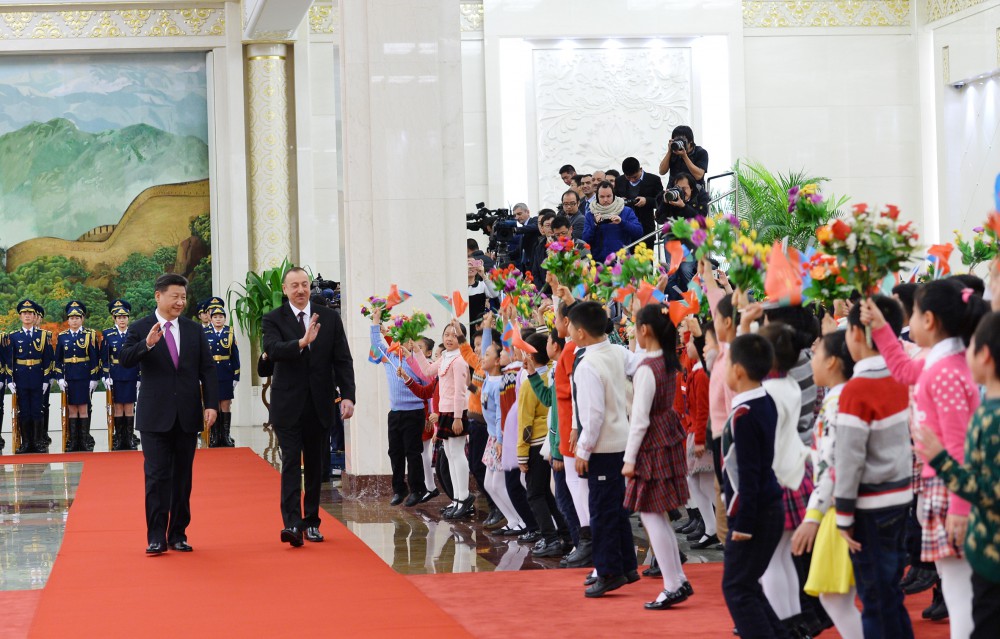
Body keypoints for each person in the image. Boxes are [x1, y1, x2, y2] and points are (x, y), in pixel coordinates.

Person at [864, 280, 988, 639]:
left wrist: (961, 510)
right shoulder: (942, 362)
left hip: (952, 490)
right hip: (948, 487)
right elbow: (902, 370)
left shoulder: (946, 370)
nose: (910, 320)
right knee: (957, 586)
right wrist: (881, 328)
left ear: (930, 320)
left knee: (959, 590)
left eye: (913, 314)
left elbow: (960, 448)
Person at [118, 273, 220, 554]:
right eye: (175, 296)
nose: (180, 302)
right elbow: (125, 359)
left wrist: (210, 403)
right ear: (158, 296)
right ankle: (155, 536)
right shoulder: (140, 328)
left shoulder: (193, 329)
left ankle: (178, 534)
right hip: (154, 415)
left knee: (182, 478)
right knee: (156, 476)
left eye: (183, 297)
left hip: (187, 414)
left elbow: (207, 368)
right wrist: (148, 344)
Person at [915, 311, 1000, 639]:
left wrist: (942, 461)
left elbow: (989, 489)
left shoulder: (992, 419)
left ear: (986, 356)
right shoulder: (986, 411)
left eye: (971, 346)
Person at [836, 295, 914, 638]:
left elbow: (850, 459)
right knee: (890, 593)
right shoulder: (901, 378)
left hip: (870, 507)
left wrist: (843, 515)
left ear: (855, 333)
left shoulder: (856, 389)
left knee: (875, 599)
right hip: (901, 498)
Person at [262, 267, 356, 547]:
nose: (301, 290)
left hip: (320, 403)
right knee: (291, 462)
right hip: (287, 404)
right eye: (294, 286)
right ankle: (292, 523)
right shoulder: (273, 318)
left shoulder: (329, 317)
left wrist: (348, 395)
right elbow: (273, 349)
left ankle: (312, 522)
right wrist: (301, 343)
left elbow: (342, 359)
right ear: (285, 289)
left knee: (316, 466)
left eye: (304, 284)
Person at [792, 330, 863, 639]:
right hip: (840, 505)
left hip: (837, 509)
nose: (811, 363)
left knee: (834, 596)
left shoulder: (838, 401)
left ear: (833, 362)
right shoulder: (842, 396)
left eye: (816, 355)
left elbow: (831, 465)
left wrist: (812, 516)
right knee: (837, 595)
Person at [623, 304, 692, 610]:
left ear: (645, 331)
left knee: (652, 515)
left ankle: (673, 583)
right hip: (666, 435)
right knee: (658, 514)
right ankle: (676, 578)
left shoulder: (647, 369)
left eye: (635, 326)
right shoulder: (665, 360)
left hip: (651, 442)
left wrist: (628, 459)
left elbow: (639, 419)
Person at [569, 301, 640, 597]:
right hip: (621, 441)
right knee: (616, 508)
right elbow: (641, 366)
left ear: (581, 333)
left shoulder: (588, 365)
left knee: (601, 511)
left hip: (602, 445)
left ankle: (609, 570)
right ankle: (626, 566)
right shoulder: (617, 351)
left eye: (571, 326)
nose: (569, 331)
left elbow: (593, 414)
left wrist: (584, 450)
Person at [720, 333, 788, 638]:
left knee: (737, 588)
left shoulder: (744, 415)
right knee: (746, 585)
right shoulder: (763, 400)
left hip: (754, 512)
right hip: (766, 506)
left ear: (738, 370)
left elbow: (748, 475)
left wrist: (743, 524)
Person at [409, 323, 473, 519]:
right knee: (452, 456)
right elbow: (427, 371)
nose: (449, 338)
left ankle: (464, 497)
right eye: (446, 334)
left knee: (457, 454)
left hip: (456, 413)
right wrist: (418, 351)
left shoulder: (460, 360)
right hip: (445, 412)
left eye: (454, 335)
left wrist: (456, 417)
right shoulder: (445, 357)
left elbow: (462, 391)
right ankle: (457, 499)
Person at [371, 312, 429, 506]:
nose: (396, 343)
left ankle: (418, 489)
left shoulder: (414, 361)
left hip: (414, 412)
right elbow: (376, 343)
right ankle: (399, 489)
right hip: (395, 413)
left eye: (400, 340)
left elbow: (426, 383)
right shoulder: (389, 358)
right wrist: (375, 321)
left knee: (412, 452)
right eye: (394, 340)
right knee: (394, 452)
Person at [520, 331, 569, 557]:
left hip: (537, 444)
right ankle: (566, 536)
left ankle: (550, 537)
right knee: (547, 494)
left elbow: (525, 421)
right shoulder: (550, 372)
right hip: (548, 441)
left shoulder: (533, 383)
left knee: (534, 494)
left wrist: (521, 454)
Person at [9, 299, 55, 454]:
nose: (27, 316)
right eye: (24, 313)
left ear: (35, 316)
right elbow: (10, 360)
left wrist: (45, 379)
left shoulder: (43, 336)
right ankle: (26, 443)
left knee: (37, 410)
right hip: (21, 377)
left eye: (30, 313)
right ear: (20, 316)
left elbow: (48, 359)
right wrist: (10, 380)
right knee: (24, 411)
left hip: (37, 376)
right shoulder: (14, 336)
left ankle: (37, 442)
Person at [55, 301, 101, 452]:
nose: (74, 320)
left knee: (83, 408)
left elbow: (94, 359)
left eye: (77, 318)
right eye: (71, 318)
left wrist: (94, 378)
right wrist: (60, 377)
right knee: (71, 409)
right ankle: (74, 441)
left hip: (84, 377)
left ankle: (84, 441)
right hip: (69, 377)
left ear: (82, 319)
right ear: (68, 320)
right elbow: (58, 359)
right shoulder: (62, 337)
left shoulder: (89, 335)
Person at [102, 300, 140, 451]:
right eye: (119, 317)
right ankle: (119, 438)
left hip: (130, 372)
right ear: (114, 318)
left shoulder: (134, 333)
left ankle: (129, 438)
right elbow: (104, 357)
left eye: (124, 317)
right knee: (118, 407)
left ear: (128, 318)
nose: (122, 320)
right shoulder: (108, 334)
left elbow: (139, 356)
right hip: (116, 374)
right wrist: (106, 375)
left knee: (129, 407)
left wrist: (139, 377)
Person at [204, 299, 240, 448]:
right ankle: (214, 436)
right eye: (215, 317)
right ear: (211, 318)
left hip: (226, 373)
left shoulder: (229, 332)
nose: (218, 319)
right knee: (213, 404)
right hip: (211, 375)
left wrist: (236, 376)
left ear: (225, 318)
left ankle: (225, 436)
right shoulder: (204, 333)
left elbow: (235, 356)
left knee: (225, 404)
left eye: (221, 317)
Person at [583, 181, 642, 263]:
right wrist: (595, 225)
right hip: (598, 263)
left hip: (621, 261)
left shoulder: (625, 211)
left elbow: (639, 232)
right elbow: (585, 240)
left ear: (613, 195)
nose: (605, 200)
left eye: (608, 196)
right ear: (597, 197)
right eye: (602, 197)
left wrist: (622, 223)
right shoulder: (590, 214)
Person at [615, 157, 663, 237]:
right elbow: (614, 199)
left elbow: (661, 201)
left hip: (646, 227)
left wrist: (646, 201)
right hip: (625, 225)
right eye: (628, 177)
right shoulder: (619, 180)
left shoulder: (653, 180)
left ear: (640, 169)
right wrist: (619, 200)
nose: (632, 180)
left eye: (635, 177)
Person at [658, 124, 709, 190]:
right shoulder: (673, 152)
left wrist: (684, 156)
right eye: (676, 140)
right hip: (674, 189)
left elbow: (699, 175)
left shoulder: (701, 152)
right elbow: (662, 171)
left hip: (694, 191)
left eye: (682, 141)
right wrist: (669, 151)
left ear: (690, 141)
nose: (680, 144)